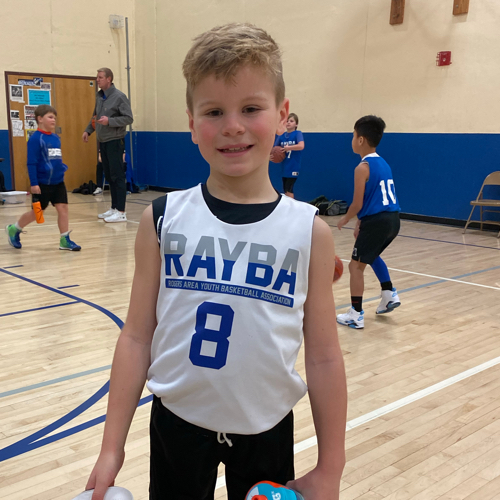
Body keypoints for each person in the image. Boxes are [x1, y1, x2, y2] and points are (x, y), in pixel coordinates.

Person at [85, 23, 347, 500]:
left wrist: (331, 467)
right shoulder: (162, 219)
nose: (232, 126)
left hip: (267, 429)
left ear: (282, 115)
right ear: (191, 124)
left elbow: (325, 357)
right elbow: (136, 337)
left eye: (250, 108)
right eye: (213, 111)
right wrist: (110, 447)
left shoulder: (310, 232)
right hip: (177, 423)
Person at [336, 115, 401, 329]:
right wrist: (360, 223)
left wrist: (346, 218)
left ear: (361, 139)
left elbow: (357, 203)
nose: (352, 140)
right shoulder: (384, 163)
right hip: (393, 219)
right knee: (370, 255)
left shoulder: (362, 168)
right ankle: (388, 292)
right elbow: (374, 198)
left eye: (353, 136)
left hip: (377, 221)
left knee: (355, 266)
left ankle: (356, 314)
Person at [5, 105, 81, 251]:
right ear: (40, 119)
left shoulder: (56, 138)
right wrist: (34, 184)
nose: (54, 120)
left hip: (58, 182)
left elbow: (55, 158)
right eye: (50, 117)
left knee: (63, 208)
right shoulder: (35, 139)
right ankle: (14, 229)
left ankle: (64, 240)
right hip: (42, 183)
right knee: (37, 213)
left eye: (55, 118)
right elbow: (31, 163)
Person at [82, 67, 133, 222]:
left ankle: (121, 212)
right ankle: (114, 208)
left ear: (109, 79)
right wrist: (88, 130)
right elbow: (95, 117)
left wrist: (109, 121)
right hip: (103, 141)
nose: (97, 80)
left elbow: (128, 118)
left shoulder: (119, 97)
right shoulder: (99, 97)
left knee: (118, 176)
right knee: (110, 176)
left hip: (115, 141)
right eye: (97, 77)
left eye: (100, 77)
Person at [273, 113, 305, 198]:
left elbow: (301, 146)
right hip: (285, 166)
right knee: (285, 189)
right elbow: (274, 149)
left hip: (294, 165)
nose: (288, 122)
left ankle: (291, 206)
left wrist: (289, 147)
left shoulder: (297, 133)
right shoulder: (281, 136)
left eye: (291, 121)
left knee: (289, 188)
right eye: (287, 121)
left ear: (296, 124)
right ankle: (289, 204)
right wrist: (271, 156)